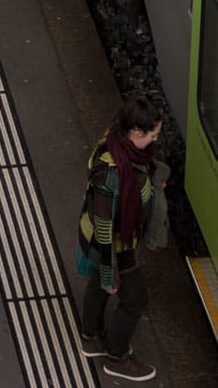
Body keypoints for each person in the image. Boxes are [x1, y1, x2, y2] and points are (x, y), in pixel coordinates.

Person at [76, 96, 170, 383]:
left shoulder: (115, 139)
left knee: (97, 282)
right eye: (153, 135)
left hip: (97, 235)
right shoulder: (111, 174)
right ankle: (116, 358)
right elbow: (106, 228)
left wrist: (150, 184)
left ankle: (91, 337)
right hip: (115, 244)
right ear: (136, 133)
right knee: (134, 300)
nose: (156, 140)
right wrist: (110, 272)